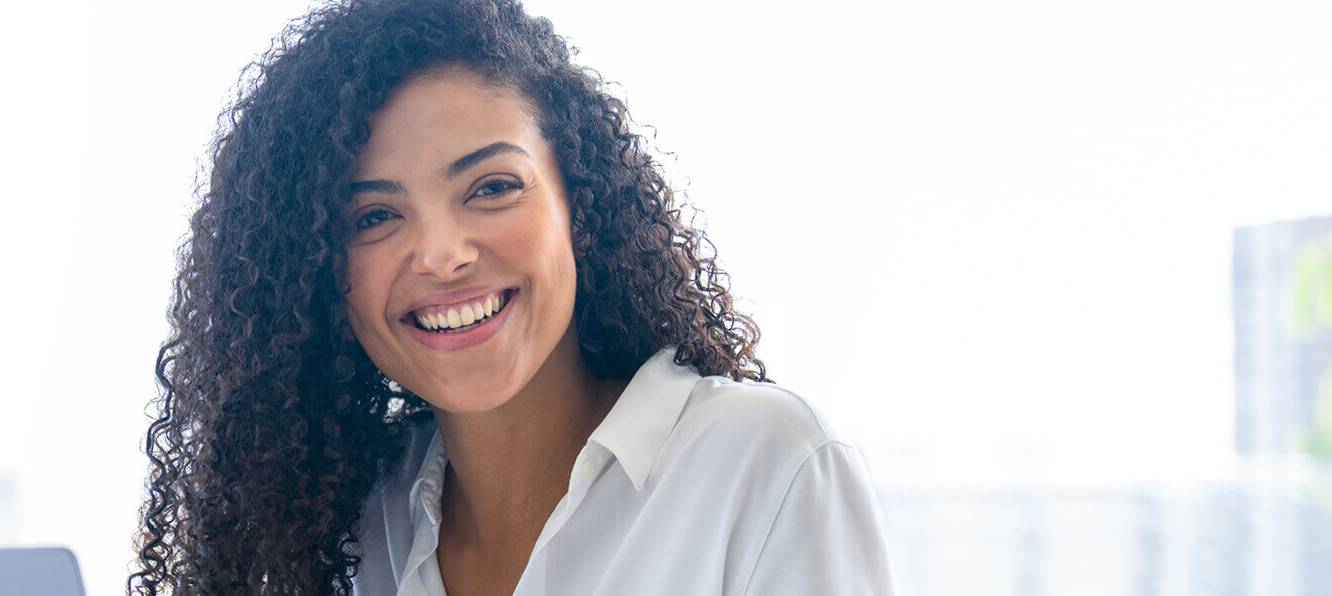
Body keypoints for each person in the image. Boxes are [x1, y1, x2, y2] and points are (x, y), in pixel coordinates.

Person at [131, 0, 894, 593]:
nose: (442, 255)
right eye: (374, 217)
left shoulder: (765, 464)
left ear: (580, 204)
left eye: (492, 187)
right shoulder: (352, 525)